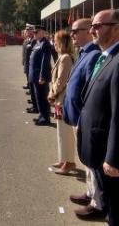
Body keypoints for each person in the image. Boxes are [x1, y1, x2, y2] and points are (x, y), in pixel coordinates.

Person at [75, 10, 119, 225]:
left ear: (116, 28)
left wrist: (113, 156)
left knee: (117, 209)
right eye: (91, 26)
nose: (92, 30)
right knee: (108, 202)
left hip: (106, 149)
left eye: (98, 26)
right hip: (95, 141)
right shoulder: (106, 55)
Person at [63, 19, 103, 212]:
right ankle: (89, 193)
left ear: (88, 31)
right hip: (76, 116)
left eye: (75, 31)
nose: (72, 35)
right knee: (85, 160)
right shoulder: (84, 52)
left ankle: (97, 202)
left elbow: (90, 91)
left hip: (83, 118)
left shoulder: (94, 54)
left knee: (91, 161)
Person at [47, 30, 75, 174]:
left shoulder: (65, 58)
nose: (54, 43)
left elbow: (61, 80)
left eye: (56, 41)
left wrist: (52, 93)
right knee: (61, 131)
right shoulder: (62, 57)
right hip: (59, 98)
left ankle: (69, 162)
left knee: (65, 132)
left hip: (62, 98)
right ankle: (63, 158)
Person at [28, 25, 53, 125]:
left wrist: (42, 76)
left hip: (40, 76)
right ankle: (41, 115)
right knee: (38, 97)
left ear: (42, 32)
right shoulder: (38, 43)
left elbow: (45, 61)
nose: (34, 34)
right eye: (34, 33)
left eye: (36, 32)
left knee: (43, 97)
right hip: (35, 75)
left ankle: (45, 118)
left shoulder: (45, 44)